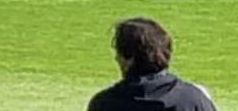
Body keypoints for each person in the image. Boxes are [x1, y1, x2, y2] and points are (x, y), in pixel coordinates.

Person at [88, 17, 217, 111]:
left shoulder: (105, 104)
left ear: (129, 59)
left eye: (118, 52)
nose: (116, 58)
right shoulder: (192, 99)